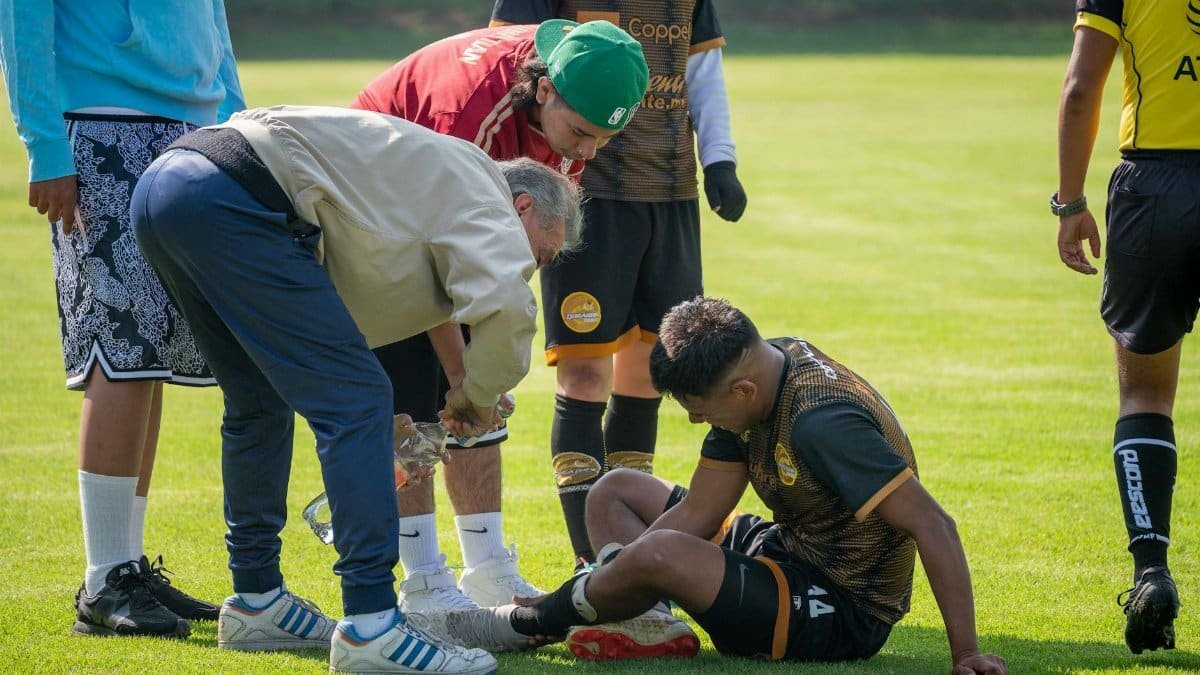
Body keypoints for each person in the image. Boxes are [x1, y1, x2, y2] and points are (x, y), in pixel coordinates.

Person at [130, 105, 582, 672]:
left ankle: (257, 601)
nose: (536, 265)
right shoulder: (483, 192)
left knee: (257, 401)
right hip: (235, 194)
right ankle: (372, 626)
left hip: (168, 188)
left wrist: (446, 390)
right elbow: (509, 308)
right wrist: (476, 397)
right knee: (363, 399)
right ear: (523, 207)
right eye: (543, 249)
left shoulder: (431, 185)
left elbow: (347, 298)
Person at [424, 297, 1007, 673]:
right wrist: (625, 570)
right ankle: (646, 621)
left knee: (658, 550)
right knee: (615, 491)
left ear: (742, 391)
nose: (695, 420)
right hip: (787, 552)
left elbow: (934, 523)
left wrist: (967, 656)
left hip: (840, 608)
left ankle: (524, 625)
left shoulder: (821, 422)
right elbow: (700, 512)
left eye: (699, 409)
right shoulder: (756, 376)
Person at [350, 19, 649, 611]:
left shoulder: (574, 97)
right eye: (582, 134)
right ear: (544, 92)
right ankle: (423, 580)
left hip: (432, 219)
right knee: (416, 396)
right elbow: (428, 261)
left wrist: (482, 371)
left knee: (476, 385)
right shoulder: (465, 115)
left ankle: (486, 568)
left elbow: (518, 252)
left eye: (603, 141)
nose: (587, 152)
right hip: (375, 219)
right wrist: (463, 377)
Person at [0, 0, 244, 637]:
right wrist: (47, 146)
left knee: (152, 358)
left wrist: (236, 123)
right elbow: (22, 17)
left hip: (193, 129)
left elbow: (211, 17)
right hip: (105, 123)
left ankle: (126, 567)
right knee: (122, 352)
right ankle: (104, 579)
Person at [489, 0, 749, 569]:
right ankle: (593, 562)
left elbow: (701, 73)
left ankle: (630, 555)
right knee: (584, 375)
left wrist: (719, 160)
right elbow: (510, 69)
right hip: (583, 199)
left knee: (649, 375)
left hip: (670, 192)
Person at [1054, 0, 1199, 656]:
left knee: (1145, 397)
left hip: (1156, 187)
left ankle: (1151, 574)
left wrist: (1070, 202)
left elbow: (1083, 86)